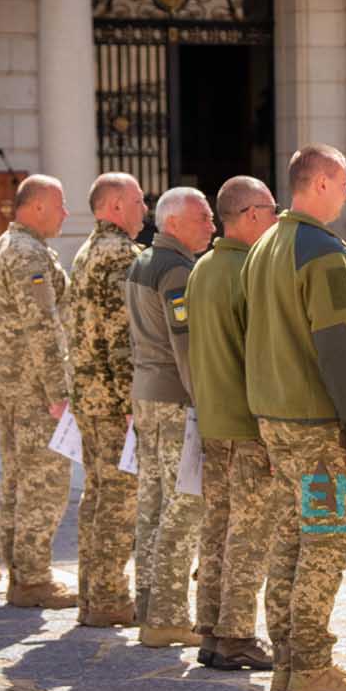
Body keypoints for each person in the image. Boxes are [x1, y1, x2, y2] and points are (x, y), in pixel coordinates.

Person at [242, 143, 346, 691]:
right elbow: (339, 346)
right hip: (319, 421)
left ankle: (288, 663)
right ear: (319, 183)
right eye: (343, 183)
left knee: (292, 540)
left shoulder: (264, 244)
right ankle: (312, 665)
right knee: (324, 542)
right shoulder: (322, 252)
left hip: (275, 416)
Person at [187, 176, 285, 670]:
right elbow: (261, 352)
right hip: (247, 422)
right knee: (251, 530)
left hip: (213, 418)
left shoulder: (202, 267)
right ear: (249, 214)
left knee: (218, 525)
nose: (275, 218)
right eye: (271, 209)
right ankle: (237, 633)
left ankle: (209, 627)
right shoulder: (248, 269)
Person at [126, 186, 216, 647]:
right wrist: (207, 403)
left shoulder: (143, 260)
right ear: (174, 223)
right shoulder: (177, 269)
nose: (212, 225)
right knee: (184, 505)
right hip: (175, 399)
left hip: (147, 395)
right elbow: (186, 348)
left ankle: (147, 602)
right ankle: (165, 615)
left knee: (154, 503)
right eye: (202, 218)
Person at [0, 174, 77, 610]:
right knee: (44, 481)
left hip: (8, 384)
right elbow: (42, 326)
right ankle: (33, 579)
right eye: (59, 205)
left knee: (16, 480)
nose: (65, 214)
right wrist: (59, 392)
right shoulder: (26, 253)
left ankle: (19, 573)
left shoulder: (0, 246)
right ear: (37, 206)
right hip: (33, 388)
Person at [66, 173, 148, 628]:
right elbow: (121, 337)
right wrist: (134, 401)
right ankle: (110, 597)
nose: (144, 209)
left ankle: (91, 595)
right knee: (118, 499)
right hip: (114, 400)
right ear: (115, 206)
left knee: (96, 495)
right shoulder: (120, 255)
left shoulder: (85, 250)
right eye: (138, 201)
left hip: (89, 395)